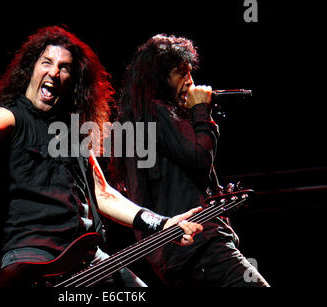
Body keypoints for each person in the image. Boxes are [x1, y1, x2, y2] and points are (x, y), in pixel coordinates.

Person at [0, 26, 203, 287]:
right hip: (33, 260)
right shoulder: (9, 118)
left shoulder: (71, 133)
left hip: (85, 258)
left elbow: (103, 194)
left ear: (72, 81)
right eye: (47, 63)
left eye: (64, 68)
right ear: (31, 69)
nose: (54, 73)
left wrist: (162, 223)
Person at [110, 33, 269, 287]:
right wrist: (200, 111)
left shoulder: (140, 119)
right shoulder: (157, 112)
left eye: (189, 72)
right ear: (159, 77)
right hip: (197, 246)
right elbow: (199, 159)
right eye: (180, 73)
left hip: (176, 253)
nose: (190, 81)